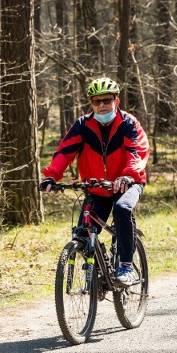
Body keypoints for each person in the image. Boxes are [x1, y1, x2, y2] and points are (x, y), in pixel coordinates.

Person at [39, 77, 149, 285]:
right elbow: (64, 152)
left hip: (127, 183)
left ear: (116, 100)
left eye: (106, 100)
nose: (102, 105)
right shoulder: (82, 125)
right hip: (97, 188)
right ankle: (96, 269)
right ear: (91, 103)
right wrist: (52, 176)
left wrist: (128, 175)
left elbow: (137, 152)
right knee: (83, 232)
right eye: (97, 101)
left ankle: (126, 266)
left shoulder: (128, 124)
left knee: (122, 209)